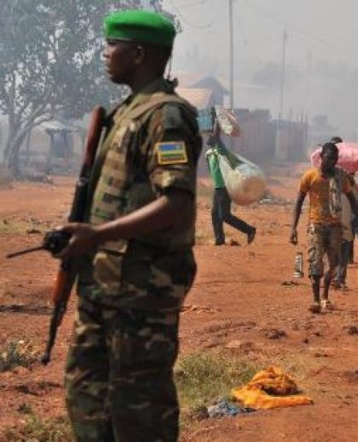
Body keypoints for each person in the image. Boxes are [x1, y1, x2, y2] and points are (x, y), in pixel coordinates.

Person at [55, 10, 202, 441]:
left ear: (138, 54)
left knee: (141, 410)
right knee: (87, 395)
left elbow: (176, 201)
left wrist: (97, 235)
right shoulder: (126, 113)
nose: (105, 53)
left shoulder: (167, 116)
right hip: (104, 285)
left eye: (112, 45)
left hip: (142, 290)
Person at [290, 142, 358, 313]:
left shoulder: (341, 178)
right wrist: (293, 228)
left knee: (333, 264)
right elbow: (299, 201)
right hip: (316, 225)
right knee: (315, 263)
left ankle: (325, 296)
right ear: (322, 157)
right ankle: (315, 299)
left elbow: (352, 199)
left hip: (335, 227)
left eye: (335, 159)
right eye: (330, 159)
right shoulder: (310, 176)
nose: (332, 162)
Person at [205, 122, 256, 246]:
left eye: (211, 135)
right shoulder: (209, 154)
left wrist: (217, 121)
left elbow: (217, 137)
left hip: (226, 187)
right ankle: (219, 240)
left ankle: (249, 230)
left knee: (225, 216)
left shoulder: (221, 151)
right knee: (215, 215)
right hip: (218, 188)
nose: (209, 137)